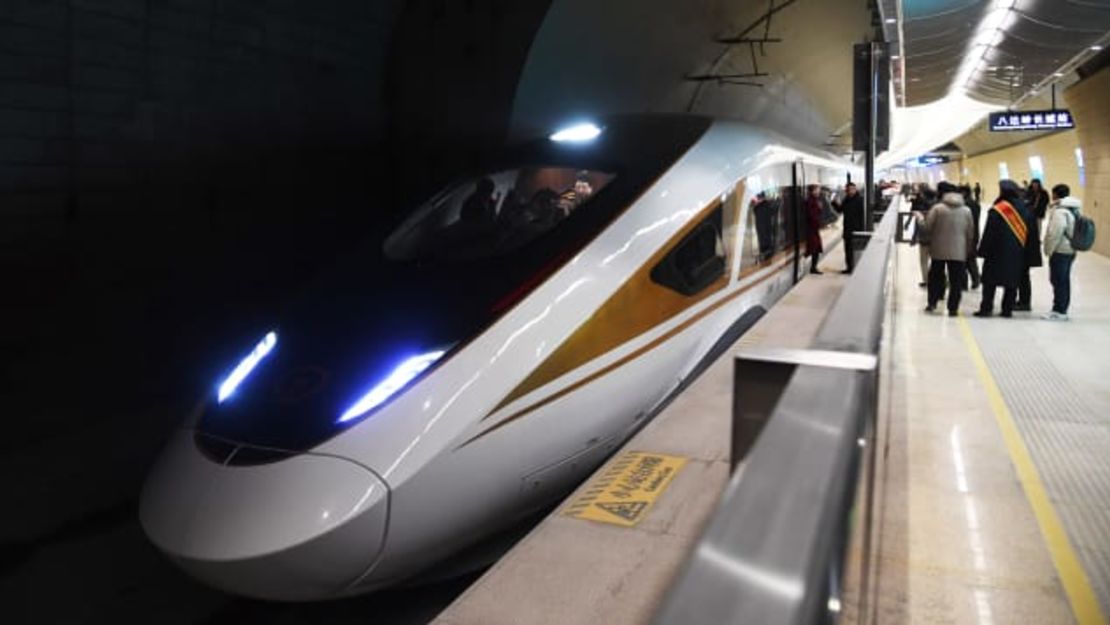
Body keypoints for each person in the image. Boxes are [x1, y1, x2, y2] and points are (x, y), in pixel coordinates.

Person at [975, 180, 1029, 318]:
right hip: (1017, 251)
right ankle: (1007, 310)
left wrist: (983, 250)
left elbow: (989, 232)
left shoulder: (998, 209)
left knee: (989, 282)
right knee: (1011, 282)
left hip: (996, 251)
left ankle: (986, 308)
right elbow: (1032, 233)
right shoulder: (1025, 209)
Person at [924, 182, 976, 316]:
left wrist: (919, 219)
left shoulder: (937, 209)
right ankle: (953, 308)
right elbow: (970, 233)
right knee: (956, 282)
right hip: (958, 251)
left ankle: (932, 302)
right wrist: (967, 249)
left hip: (938, 250)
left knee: (935, 277)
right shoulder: (966, 211)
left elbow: (927, 227)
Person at [1042, 184, 1081, 320]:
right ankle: (1061, 308)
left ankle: (1059, 310)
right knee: (1063, 280)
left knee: (1058, 280)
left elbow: (1055, 233)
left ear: (1056, 195)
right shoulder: (1074, 209)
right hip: (1070, 249)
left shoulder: (1060, 211)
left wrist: (1048, 249)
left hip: (1061, 250)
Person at [1015, 184, 1043, 311]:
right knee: (1023, 277)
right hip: (1027, 251)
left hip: (1022, 251)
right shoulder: (1029, 211)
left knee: (1022, 277)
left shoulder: (1023, 212)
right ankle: (1023, 301)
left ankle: (1024, 302)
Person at [832, 182, 864, 273]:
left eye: (852, 189)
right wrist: (834, 202)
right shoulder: (846, 199)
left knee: (856, 251)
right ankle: (849, 268)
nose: (850, 191)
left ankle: (856, 268)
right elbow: (840, 210)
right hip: (847, 229)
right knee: (848, 250)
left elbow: (863, 216)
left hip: (857, 230)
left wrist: (861, 230)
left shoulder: (860, 200)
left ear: (855, 189)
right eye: (848, 189)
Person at [911, 186, 936, 288]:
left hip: (924, 238)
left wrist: (914, 237)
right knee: (935, 261)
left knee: (923, 261)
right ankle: (935, 279)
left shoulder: (921, 207)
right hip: (935, 238)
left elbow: (919, 224)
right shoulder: (938, 207)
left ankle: (926, 280)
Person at [961, 184, 982, 289]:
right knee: (971, 258)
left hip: (965, 234)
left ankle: (965, 282)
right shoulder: (975, 204)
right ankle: (975, 279)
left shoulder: (964, 205)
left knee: (964, 259)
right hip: (974, 234)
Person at [805, 184, 824, 274]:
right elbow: (812, 215)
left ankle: (814, 267)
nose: (818, 192)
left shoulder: (814, 200)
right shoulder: (811, 201)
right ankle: (813, 268)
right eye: (817, 190)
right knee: (815, 248)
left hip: (814, 229)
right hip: (812, 229)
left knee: (815, 248)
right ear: (812, 191)